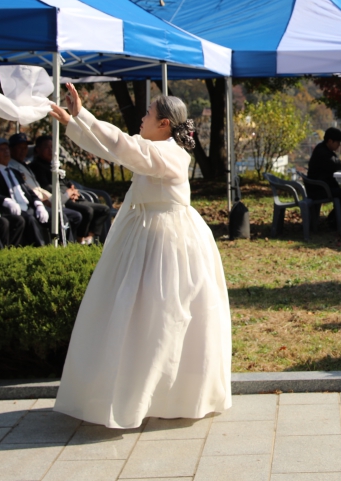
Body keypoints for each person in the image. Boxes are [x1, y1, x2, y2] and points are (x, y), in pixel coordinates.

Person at [50, 83, 231, 429]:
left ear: (164, 124)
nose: (142, 118)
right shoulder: (155, 148)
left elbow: (121, 145)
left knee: (163, 316)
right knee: (140, 315)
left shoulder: (169, 154)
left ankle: (163, 393)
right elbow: (116, 149)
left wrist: (82, 116)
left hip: (166, 241)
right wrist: (75, 122)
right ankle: (138, 392)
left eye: (148, 114)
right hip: (148, 233)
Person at [30, 135, 111, 244]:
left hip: (72, 196)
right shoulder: (36, 167)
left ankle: (89, 238)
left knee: (103, 209)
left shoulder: (54, 165)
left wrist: (73, 190)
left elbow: (67, 181)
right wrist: (66, 194)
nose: (51, 150)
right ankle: (79, 241)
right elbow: (46, 187)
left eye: (52, 147)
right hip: (61, 199)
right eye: (47, 147)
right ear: (38, 149)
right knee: (87, 211)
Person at [0, 137, 48, 246]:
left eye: (7, 149)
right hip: (10, 209)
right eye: (1, 149)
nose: (6, 152)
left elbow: (28, 191)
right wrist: (6, 201)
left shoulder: (15, 172)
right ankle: (40, 250)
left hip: (28, 207)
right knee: (28, 219)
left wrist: (38, 204)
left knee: (56, 215)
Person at [305, 128, 341, 228]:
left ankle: (335, 220)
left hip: (319, 187)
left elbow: (337, 163)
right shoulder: (324, 153)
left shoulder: (323, 148)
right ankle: (337, 223)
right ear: (330, 141)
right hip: (319, 190)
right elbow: (337, 165)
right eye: (338, 142)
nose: (339, 145)